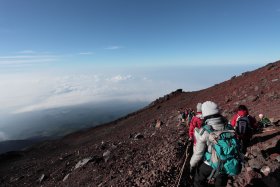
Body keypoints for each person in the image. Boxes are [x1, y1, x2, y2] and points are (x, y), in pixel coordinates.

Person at [190, 101, 233, 187]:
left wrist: (192, 165)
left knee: (198, 181)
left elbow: (198, 153)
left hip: (210, 163)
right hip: (227, 161)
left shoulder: (205, 131)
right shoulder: (228, 126)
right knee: (221, 182)